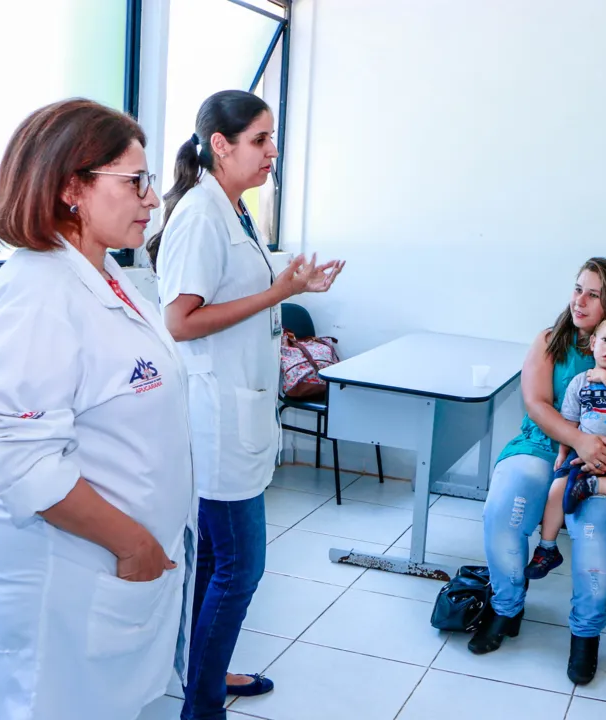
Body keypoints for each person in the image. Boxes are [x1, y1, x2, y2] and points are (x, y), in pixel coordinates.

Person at [0, 99, 196, 720]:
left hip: (110, 570)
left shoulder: (110, 275)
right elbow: (19, 458)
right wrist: (134, 544)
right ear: (70, 188)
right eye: (134, 182)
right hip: (64, 571)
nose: (152, 198)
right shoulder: (36, 293)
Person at [149, 89, 345, 720]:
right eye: (259, 140)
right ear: (221, 145)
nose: (271, 152)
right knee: (240, 568)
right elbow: (179, 321)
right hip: (215, 424)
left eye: (272, 139)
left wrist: (289, 291)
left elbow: (234, 296)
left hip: (243, 410)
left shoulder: (233, 210)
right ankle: (202, 705)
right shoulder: (200, 215)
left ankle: (207, 674)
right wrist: (277, 295)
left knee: (218, 568)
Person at [475, 258, 606, 685]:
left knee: (593, 537)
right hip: (544, 445)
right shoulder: (549, 339)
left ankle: (584, 636)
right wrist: (578, 441)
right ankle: (507, 608)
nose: (579, 300)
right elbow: (537, 403)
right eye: (578, 288)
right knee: (503, 512)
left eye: (593, 293)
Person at [524, 314, 606, 579]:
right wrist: (563, 453)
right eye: (605, 340)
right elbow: (569, 422)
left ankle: (594, 486)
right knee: (556, 489)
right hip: (581, 455)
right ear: (594, 342)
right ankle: (547, 547)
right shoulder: (579, 383)